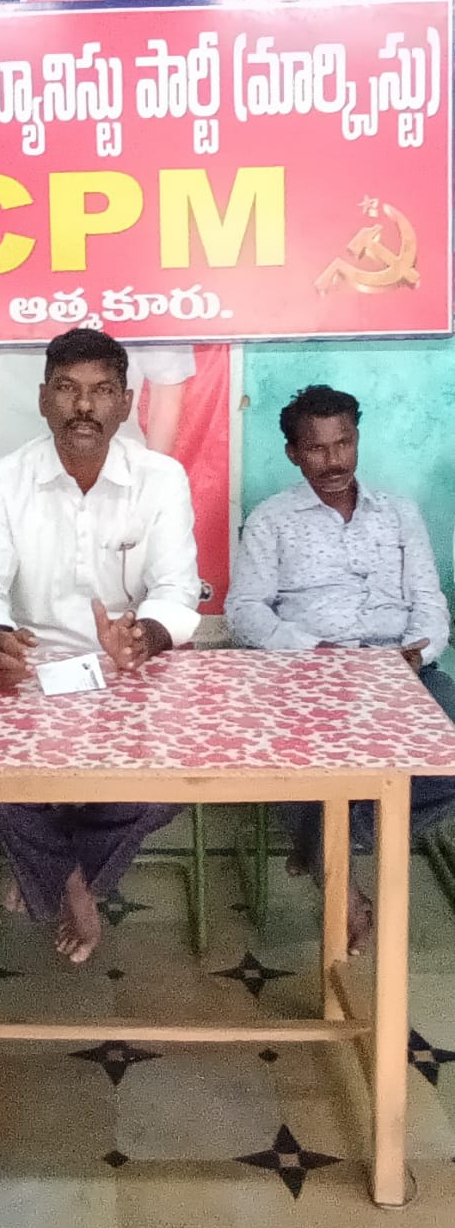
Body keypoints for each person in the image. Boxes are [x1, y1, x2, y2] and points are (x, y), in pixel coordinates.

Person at [0, 327, 202, 963]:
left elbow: (177, 591)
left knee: (165, 788)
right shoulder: (1, 482)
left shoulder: (160, 478)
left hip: (131, 672)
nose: (84, 406)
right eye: (67, 389)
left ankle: (61, 874)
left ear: (126, 402)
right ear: (43, 399)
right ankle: (73, 881)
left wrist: (144, 637)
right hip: (29, 671)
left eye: (101, 391)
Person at [225, 383, 455, 954]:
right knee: (294, 759)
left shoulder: (399, 514)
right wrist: (317, 652)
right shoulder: (272, 520)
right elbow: (245, 611)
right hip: (312, 672)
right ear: (293, 453)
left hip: (400, 668)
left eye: (344, 443)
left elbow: (430, 602)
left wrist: (416, 656)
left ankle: (326, 844)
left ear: (356, 440)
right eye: (317, 448)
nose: (334, 461)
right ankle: (339, 877)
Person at [0, 344, 195, 531]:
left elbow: (167, 385)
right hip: (11, 489)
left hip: (115, 487)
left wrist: (149, 492)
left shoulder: (142, 293)